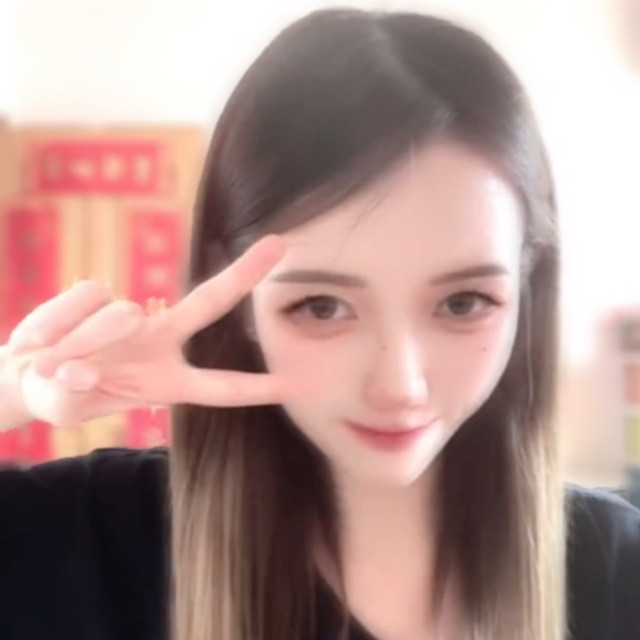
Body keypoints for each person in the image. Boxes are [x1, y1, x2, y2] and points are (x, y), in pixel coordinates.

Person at [0, 7, 638, 640]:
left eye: (463, 303)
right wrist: (12, 391)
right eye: (323, 307)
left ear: (526, 288)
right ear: (239, 298)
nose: (400, 387)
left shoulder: (613, 569)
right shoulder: (97, 540)